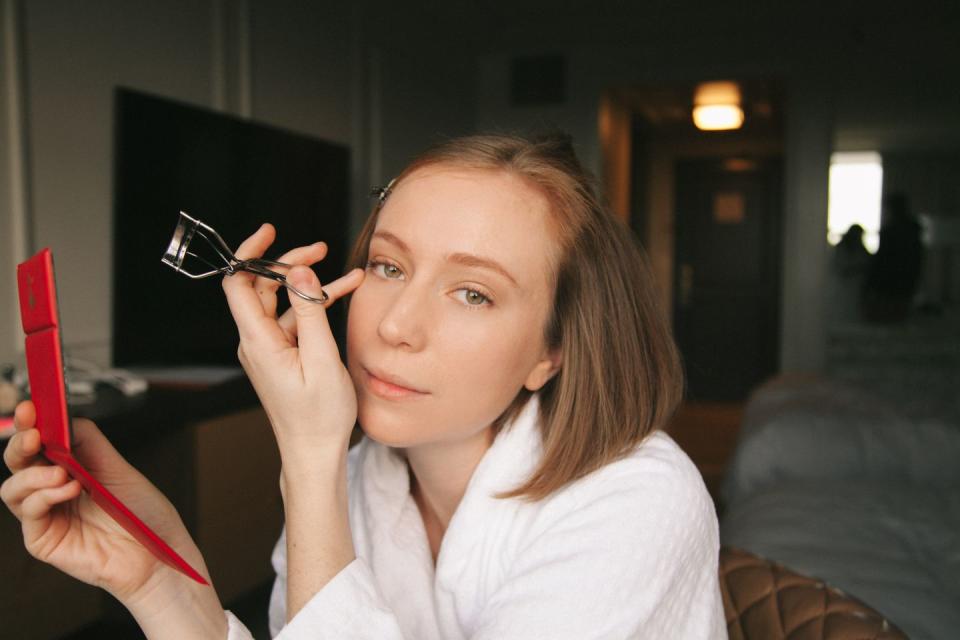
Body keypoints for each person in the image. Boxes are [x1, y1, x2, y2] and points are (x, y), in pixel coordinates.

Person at [2, 133, 725, 639]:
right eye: (388, 267)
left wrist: (308, 459)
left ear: (553, 353)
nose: (396, 326)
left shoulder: (637, 501)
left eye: (473, 293)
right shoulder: (359, 479)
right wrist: (157, 580)